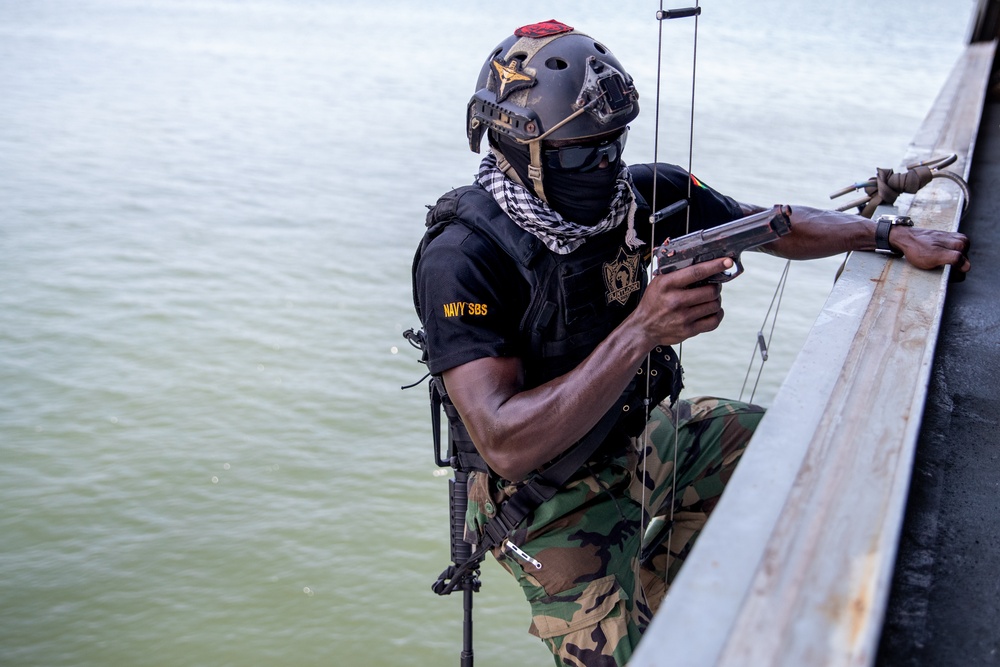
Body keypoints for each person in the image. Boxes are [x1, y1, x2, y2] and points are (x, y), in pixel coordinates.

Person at [410, 19, 970, 667]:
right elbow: (506, 444)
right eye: (579, 154)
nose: (605, 165)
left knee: (789, 452)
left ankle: (657, 578)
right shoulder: (463, 256)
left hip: (640, 438)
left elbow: (770, 226)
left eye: (612, 144)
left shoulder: (642, 193)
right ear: (516, 146)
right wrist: (644, 328)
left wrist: (883, 236)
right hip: (544, 501)